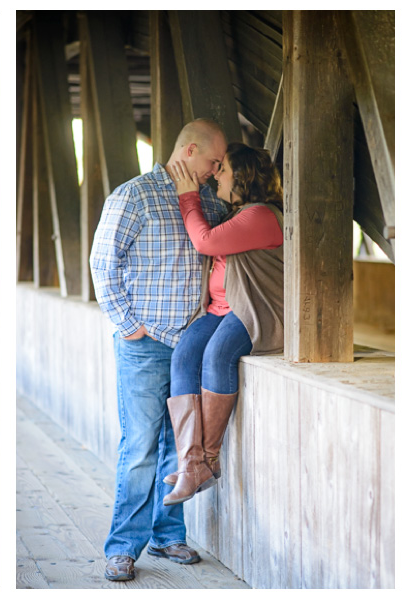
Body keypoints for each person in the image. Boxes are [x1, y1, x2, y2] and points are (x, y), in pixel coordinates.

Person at [89, 119, 230, 582]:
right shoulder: (133, 196)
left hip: (190, 346)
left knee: (180, 445)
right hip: (145, 345)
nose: (217, 169)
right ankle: (123, 547)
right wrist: (129, 327)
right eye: (214, 161)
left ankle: (168, 535)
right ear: (190, 151)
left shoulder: (209, 202)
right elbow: (102, 263)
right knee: (140, 448)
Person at [161, 144, 284, 505]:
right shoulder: (241, 213)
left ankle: (207, 459)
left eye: (224, 169)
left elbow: (204, 241)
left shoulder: (261, 215)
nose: (217, 174)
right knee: (184, 357)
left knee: (216, 356)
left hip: (252, 311)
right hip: (218, 309)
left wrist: (188, 197)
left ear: (244, 177)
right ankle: (191, 462)